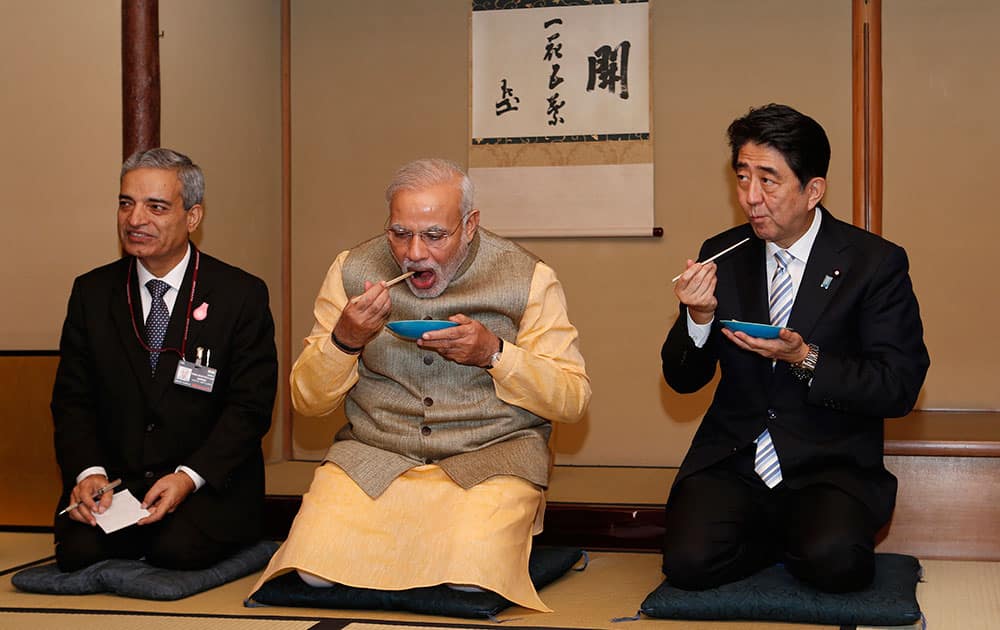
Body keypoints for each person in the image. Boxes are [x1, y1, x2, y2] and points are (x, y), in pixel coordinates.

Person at [251, 158, 590, 611]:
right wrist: (345, 340)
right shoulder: (351, 270)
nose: (414, 253)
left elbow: (572, 399)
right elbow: (306, 402)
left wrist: (494, 354)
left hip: (490, 454)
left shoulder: (527, 276)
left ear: (469, 226)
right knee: (315, 573)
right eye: (399, 233)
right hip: (376, 452)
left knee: (471, 580)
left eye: (434, 235)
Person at [660, 104, 929, 593]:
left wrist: (805, 358)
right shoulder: (724, 252)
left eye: (769, 180)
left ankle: (796, 538)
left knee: (838, 566)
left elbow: (898, 386)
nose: (751, 198)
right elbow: (681, 380)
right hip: (738, 456)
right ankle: (777, 538)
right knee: (686, 565)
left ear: (813, 190)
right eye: (742, 178)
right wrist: (698, 319)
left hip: (829, 463)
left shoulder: (874, 263)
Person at [51, 148, 278, 572]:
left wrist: (188, 477)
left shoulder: (239, 295)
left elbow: (249, 408)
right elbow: (72, 400)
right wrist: (88, 474)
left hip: (205, 482)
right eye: (126, 203)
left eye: (155, 207)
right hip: (118, 483)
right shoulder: (92, 293)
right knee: (76, 553)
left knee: (176, 551)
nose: (136, 220)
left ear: (193, 217)